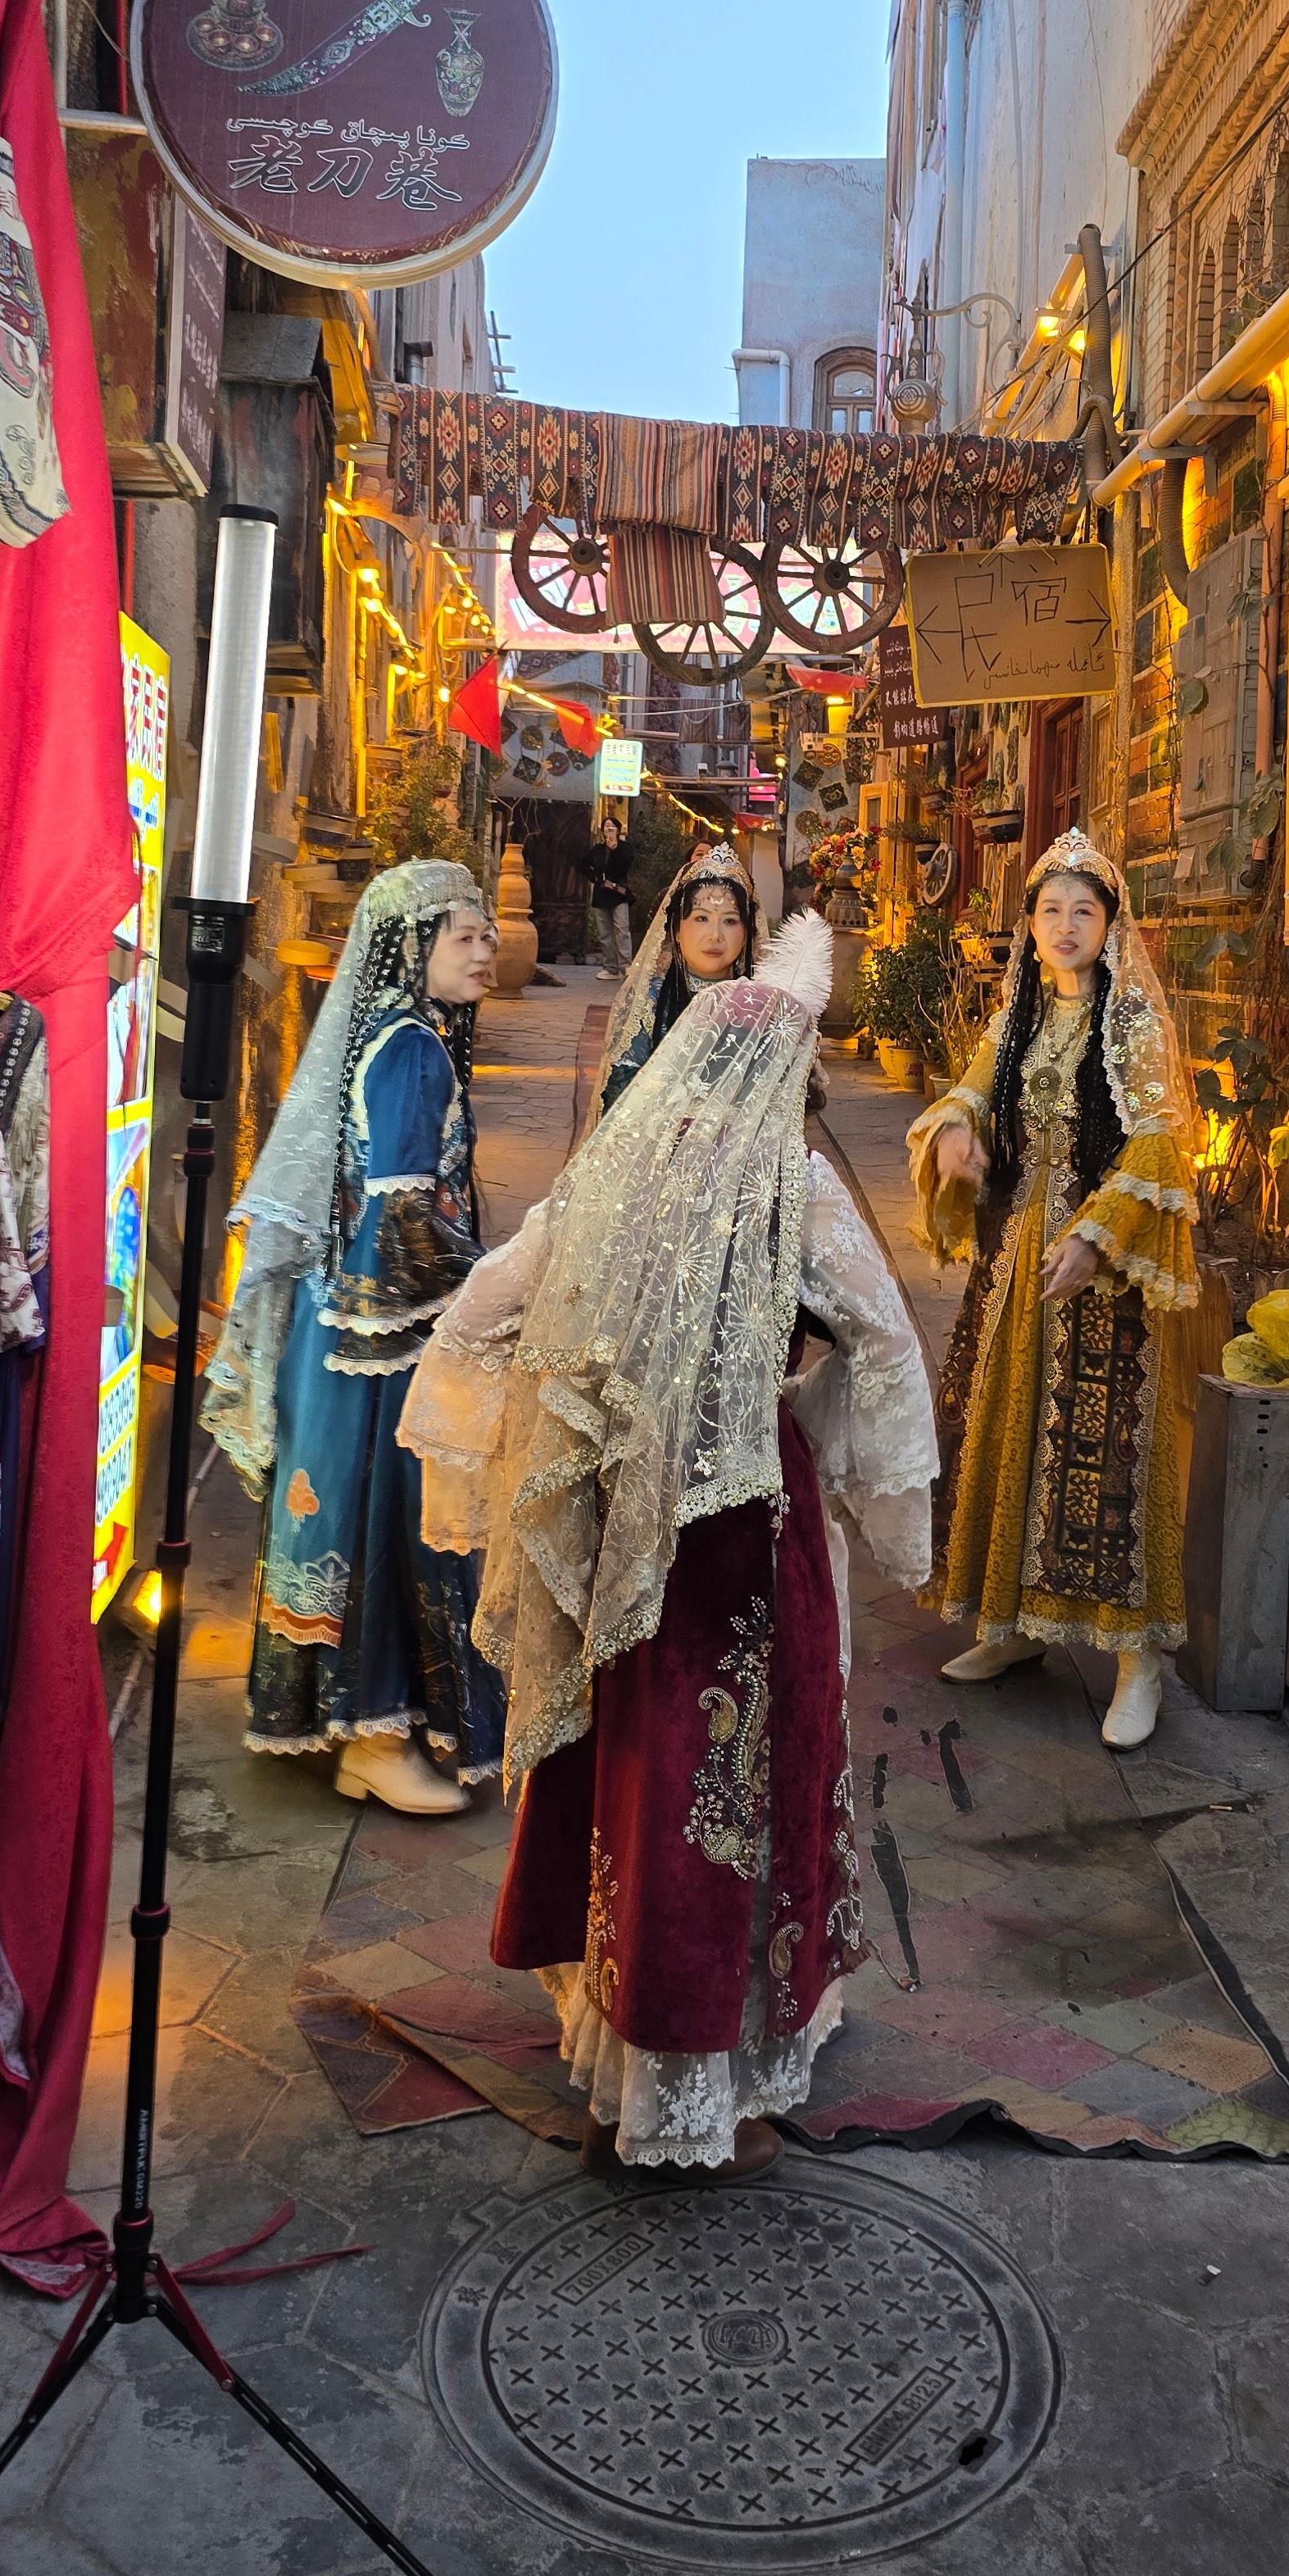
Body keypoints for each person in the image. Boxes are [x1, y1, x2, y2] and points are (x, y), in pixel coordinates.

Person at [400, 912, 937, 2173]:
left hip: (625, 1527)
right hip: (748, 1527)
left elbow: (477, 1317)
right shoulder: (793, 1184)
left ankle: (628, 2031)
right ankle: (710, 2071)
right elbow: (886, 1342)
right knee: (743, 1772)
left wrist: (548, 1435)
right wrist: (821, 1433)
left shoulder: (616, 1171)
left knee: (642, 1761)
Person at [202, 859, 507, 1813]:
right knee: (392, 1523)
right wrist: (496, 1289)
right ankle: (376, 1734)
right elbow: (400, 1211)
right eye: (465, 937)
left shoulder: (382, 1032)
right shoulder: (412, 1050)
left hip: (341, 1322)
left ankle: (355, 1731)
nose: (486, 952)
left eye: (488, 936)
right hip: (378, 1338)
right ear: (413, 948)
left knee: (343, 1518)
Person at [906, 828, 1200, 1751]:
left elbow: (1160, 1140)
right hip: (1013, 1264)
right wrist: (955, 1131)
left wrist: (1098, 1236)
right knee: (1002, 1432)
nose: (1065, 924)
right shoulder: (1018, 1022)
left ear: (1110, 926)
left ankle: (1136, 1660)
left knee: (1103, 1456)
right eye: (1049, 910)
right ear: (1029, 925)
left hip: (1098, 1270)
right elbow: (968, 1091)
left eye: (1083, 910)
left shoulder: (1133, 1027)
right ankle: (1013, 1624)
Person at [590, 835, 760, 1118]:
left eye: (730, 921)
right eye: (701, 918)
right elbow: (620, 1105)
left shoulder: (761, 1004)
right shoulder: (650, 1001)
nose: (715, 935)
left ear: (747, 932)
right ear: (677, 930)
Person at [585, 816, 633, 977]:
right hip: (601, 894)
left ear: (618, 830)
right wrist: (594, 877)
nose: (609, 828)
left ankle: (626, 966)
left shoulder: (625, 847)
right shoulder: (598, 849)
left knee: (622, 930)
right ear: (603, 831)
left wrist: (615, 850)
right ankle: (610, 968)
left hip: (619, 893)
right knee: (604, 933)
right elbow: (581, 863)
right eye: (606, 826)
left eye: (612, 826)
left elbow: (626, 866)